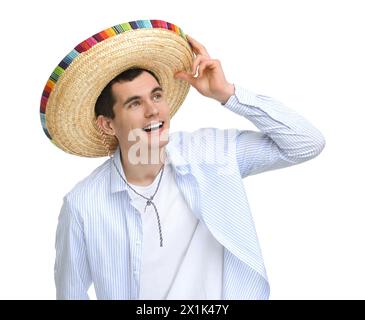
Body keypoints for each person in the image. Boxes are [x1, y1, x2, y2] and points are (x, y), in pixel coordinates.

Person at [40, 20, 325, 300]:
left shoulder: (212, 153)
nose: (153, 110)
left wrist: (228, 94)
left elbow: (306, 143)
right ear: (108, 125)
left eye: (157, 95)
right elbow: (70, 293)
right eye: (135, 103)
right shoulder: (83, 204)